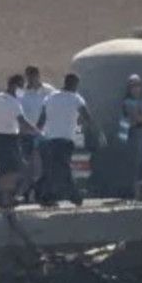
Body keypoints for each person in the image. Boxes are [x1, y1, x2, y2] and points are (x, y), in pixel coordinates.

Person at [36, 73, 93, 207]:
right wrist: (95, 131)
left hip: (49, 139)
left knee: (52, 168)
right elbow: (87, 117)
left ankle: (46, 196)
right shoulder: (76, 98)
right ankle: (73, 195)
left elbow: (41, 119)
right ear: (75, 84)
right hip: (65, 139)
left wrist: (37, 134)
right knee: (63, 167)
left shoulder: (50, 97)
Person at [0, 74, 41, 210]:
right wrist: (37, 131)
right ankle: (6, 197)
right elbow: (22, 122)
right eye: (21, 86)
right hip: (9, 139)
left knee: (6, 168)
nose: (22, 89)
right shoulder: (13, 102)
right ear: (14, 85)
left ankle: (7, 197)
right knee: (15, 168)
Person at [19, 66, 54, 200]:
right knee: (28, 165)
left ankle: (43, 192)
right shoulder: (21, 93)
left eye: (33, 75)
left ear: (38, 75)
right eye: (29, 76)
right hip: (26, 134)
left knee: (44, 164)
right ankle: (27, 191)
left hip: (45, 134)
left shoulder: (49, 91)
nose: (31, 78)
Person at [121, 74, 142, 190]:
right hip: (133, 133)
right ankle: (133, 189)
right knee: (135, 162)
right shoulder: (127, 102)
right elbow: (135, 118)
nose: (136, 88)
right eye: (133, 86)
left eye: (138, 85)